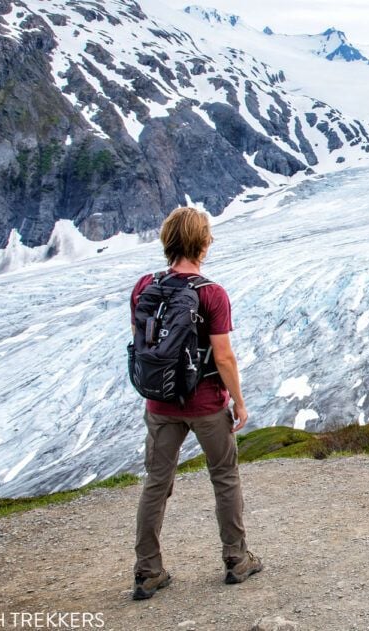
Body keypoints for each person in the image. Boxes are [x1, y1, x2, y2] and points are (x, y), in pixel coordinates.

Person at [128, 206, 262, 600]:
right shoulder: (211, 293)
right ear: (203, 243)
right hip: (205, 403)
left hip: (160, 404)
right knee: (224, 477)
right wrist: (238, 401)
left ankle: (147, 570)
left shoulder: (143, 287)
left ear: (167, 241)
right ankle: (237, 559)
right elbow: (223, 356)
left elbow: (143, 342)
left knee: (156, 482)